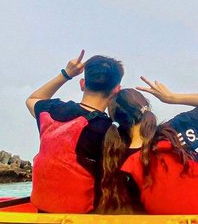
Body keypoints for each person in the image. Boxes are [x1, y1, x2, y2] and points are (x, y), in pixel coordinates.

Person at [98, 77, 198, 215]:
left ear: (116, 119)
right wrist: (171, 98)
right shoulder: (172, 132)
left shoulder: (116, 154)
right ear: (145, 108)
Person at [25, 50, 124, 213]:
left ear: (82, 84)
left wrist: (66, 74)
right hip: (84, 222)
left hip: (43, 214)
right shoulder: (109, 130)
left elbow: (32, 99)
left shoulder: (50, 110)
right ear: (116, 90)